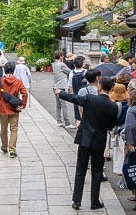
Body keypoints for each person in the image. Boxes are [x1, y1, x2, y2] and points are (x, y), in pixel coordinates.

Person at [58, 75, 120, 211]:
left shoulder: (90, 99)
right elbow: (111, 125)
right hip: (99, 140)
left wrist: (60, 93)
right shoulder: (113, 106)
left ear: (100, 87)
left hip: (85, 138)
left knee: (81, 169)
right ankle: (94, 201)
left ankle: (77, 200)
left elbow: (75, 98)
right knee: (97, 171)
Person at [0, 60, 29, 157]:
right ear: (14, 70)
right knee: (14, 129)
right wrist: (23, 105)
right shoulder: (18, 81)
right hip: (14, 109)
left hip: (3, 109)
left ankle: (4, 147)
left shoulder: (0, 81)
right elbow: (25, 93)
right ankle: (12, 149)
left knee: (3, 129)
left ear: (4, 70)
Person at [53, 51, 74, 127]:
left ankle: (58, 121)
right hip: (61, 86)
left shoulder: (54, 64)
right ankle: (67, 122)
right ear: (61, 56)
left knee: (58, 105)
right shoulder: (62, 64)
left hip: (55, 86)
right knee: (64, 105)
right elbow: (70, 72)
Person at [70, 57, 89, 127]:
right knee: (85, 113)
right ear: (82, 64)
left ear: (74, 65)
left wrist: (71, 95)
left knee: (77, 115)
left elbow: (70, 86)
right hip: (85, 95)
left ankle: (78, 131)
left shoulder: (71, 72)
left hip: (76, 95)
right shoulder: (86, 72)